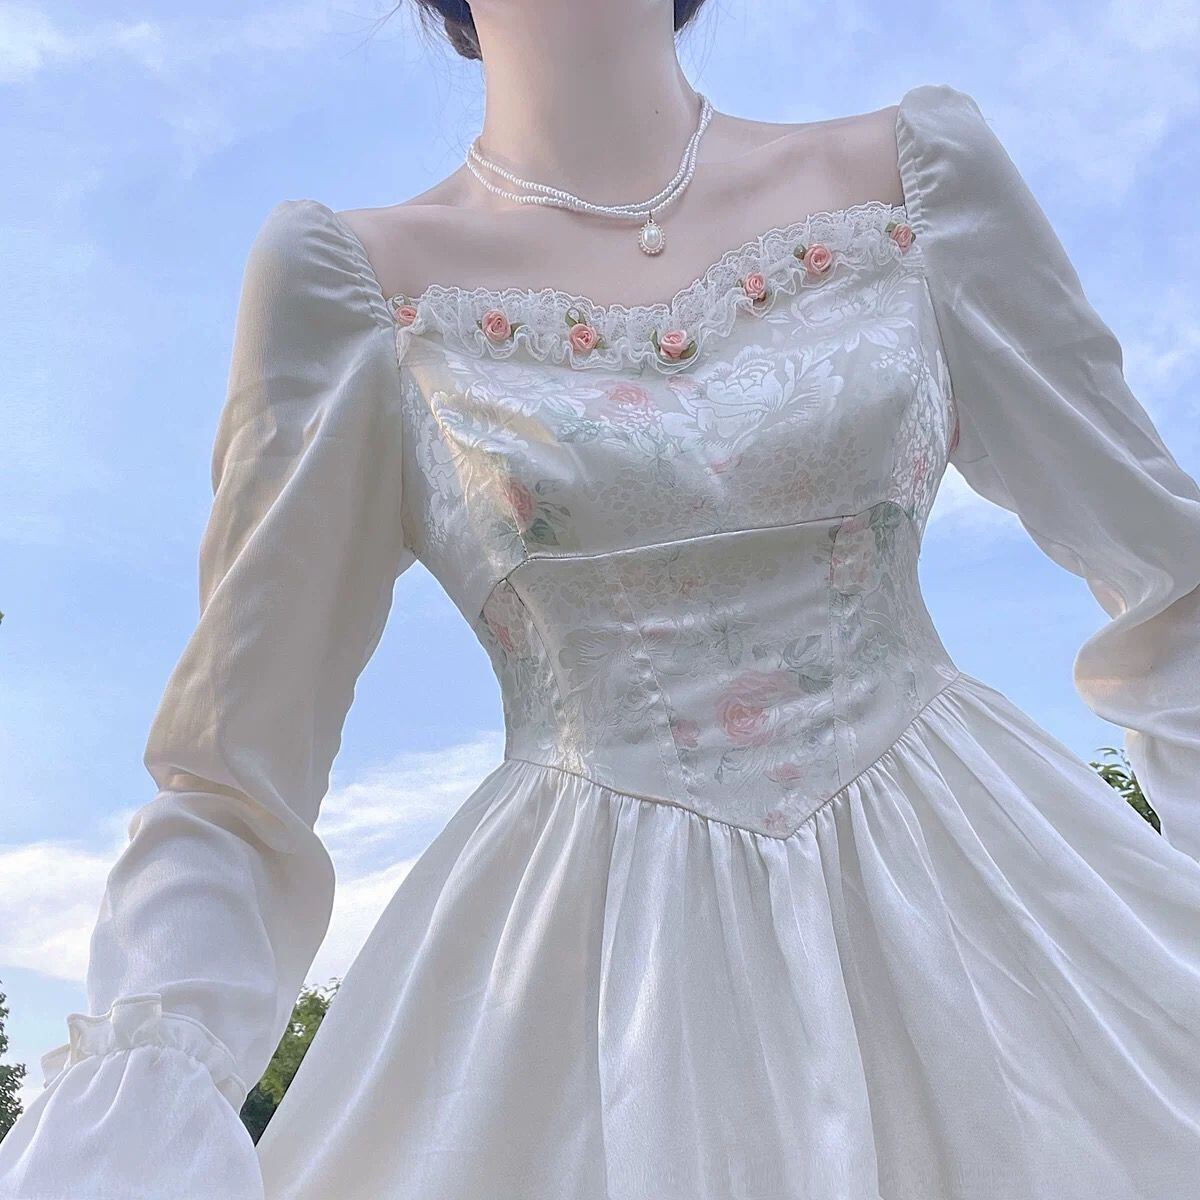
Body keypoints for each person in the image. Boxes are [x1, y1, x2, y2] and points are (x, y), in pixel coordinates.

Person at [3, 1, 1200, 1197]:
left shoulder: (915, 182)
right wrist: (133, 1130)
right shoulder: (353, 288)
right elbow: (235, 782)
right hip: (591, 1006)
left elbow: (1176, 597)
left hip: (981, 923)